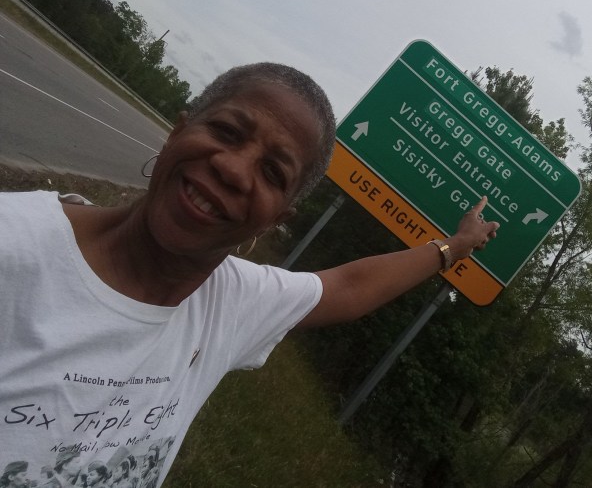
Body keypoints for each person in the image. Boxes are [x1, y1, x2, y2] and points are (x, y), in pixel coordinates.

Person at [0, 63, 498, 487]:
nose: (235, 170)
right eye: (226, 132)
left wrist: (456, 246)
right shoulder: (15, 246)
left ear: (276, 218)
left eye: (273, 173)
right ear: (178, 131)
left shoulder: (231, 303)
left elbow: (350, 288)